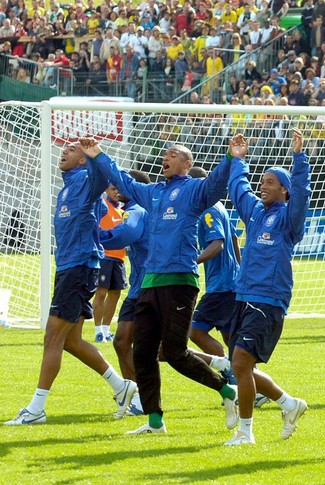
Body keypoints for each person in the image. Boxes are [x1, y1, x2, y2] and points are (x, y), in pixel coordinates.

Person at [81, 136, 241, 435]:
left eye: (173, 154)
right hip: (149, 284)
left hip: (180, 280)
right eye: (165, 154)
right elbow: (121, 180)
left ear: (186, 163)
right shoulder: (152, 193)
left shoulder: (194, 190)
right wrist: (98, 154)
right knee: (142, 353)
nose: (165, 158)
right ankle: (155, 421)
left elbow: (217, 183)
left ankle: (227, 390)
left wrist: (232, 158)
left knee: (176, 352)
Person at [5, 144, 137, 426]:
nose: (63, 152)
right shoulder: (67, 186)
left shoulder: (87, 180)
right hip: (69, 268)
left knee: (52, 337)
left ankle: (36, 409)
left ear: (82, 159)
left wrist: (94, 154)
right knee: (71, 341)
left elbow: (102, 179)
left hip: (79, 267)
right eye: (63, 148)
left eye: (72, 149)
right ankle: (121, 386)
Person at [223, 128, 311, 446]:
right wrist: (237, 161)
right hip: (244, 295)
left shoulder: (290, 219)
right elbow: (239, 191)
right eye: (263, 181)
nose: (264, 185)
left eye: (270, 182)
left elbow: (302, 194)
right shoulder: (257, 213)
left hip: (268, 299)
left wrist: (299, 158)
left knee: (242, 363)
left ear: (285, 190)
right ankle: (289, 404)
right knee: (240, 366)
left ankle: (245, 432)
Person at [100, 169, 153, 417]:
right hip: (137, 288)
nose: (116, 188)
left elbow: (122, 236)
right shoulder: (134, 209)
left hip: (150, 288)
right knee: (121, 341)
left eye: (122, 185)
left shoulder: (138, 211)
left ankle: (221, 370)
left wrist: (92, 234)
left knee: (164, 351)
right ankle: (136, 395)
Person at [187, 166, 241, 384]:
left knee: (194, 331)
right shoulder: (219, 206)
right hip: (231, 282)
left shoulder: (208, 209)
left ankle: (230, 373)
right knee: (230, 339)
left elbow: (217, 244)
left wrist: (192, 261)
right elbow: (235, 239)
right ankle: (248, 385)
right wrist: (241, 269)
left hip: (222, 285)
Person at [92, 184, 127, 343]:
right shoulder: (103, 206)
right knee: (101, 292)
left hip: (119, 258)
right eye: (113, 189)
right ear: (106, 190)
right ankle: (98, 330)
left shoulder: (124, 211)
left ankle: (106, 330)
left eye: (119, 190)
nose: (116, 192)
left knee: (116, 293)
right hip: (105, 257)